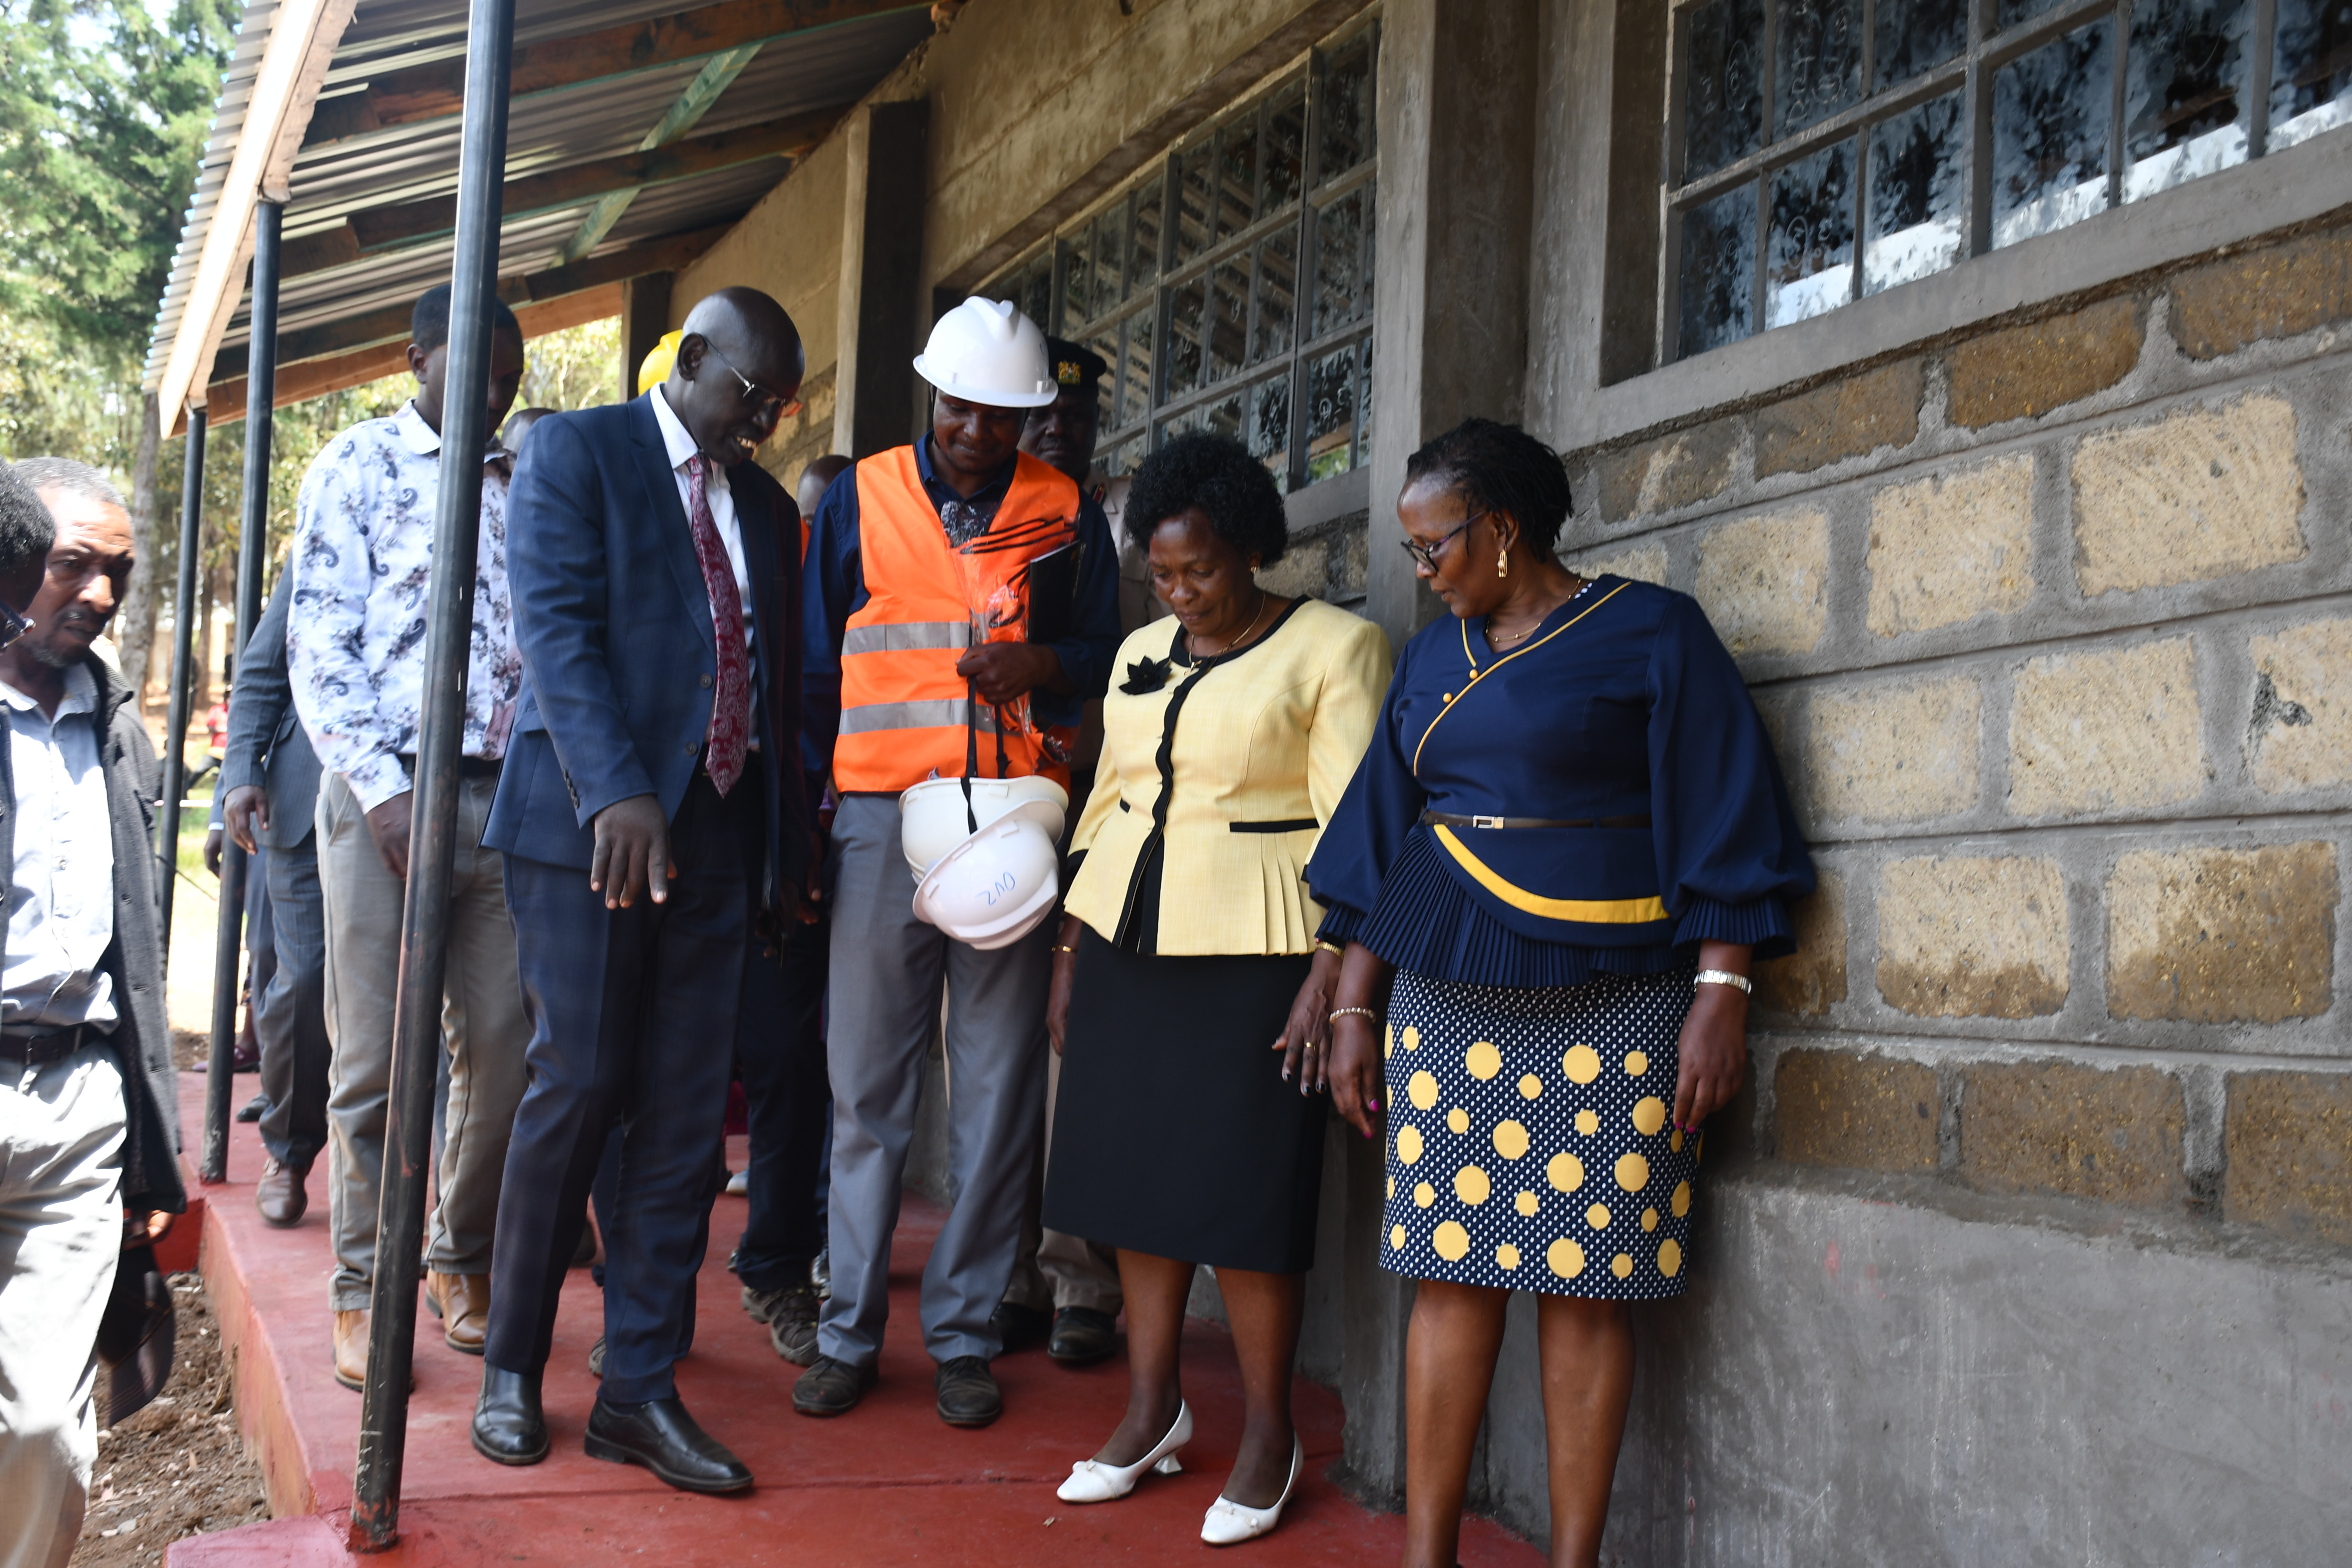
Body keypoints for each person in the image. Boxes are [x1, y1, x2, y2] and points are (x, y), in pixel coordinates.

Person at [1310, 419, 1814, 1568]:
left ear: (1501, 529)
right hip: (1448, 994)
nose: (1422, 574)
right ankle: (1428, 1556)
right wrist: (1352, 1005)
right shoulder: (1434, 655)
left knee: (1588, 1285)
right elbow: (1385, 840)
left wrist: (1721, 991)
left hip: (1618, 992)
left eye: (1434, 547)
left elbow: (1727, 812)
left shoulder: (1652, 633)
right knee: (1448, 1272)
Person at [473, 286, 816, 1494]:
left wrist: (785, 854)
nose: (765, 424)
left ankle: (638, 1390)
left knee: (681, 1115)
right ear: (695, 359)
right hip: (586, 830)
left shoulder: (769, 514)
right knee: (578, 1082)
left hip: (718, 839)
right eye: (751, 397)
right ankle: (513, 1362)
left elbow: (779, 688)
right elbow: (553, 629)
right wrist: (616, 789)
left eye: (781, 408)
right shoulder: (579, 450)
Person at [1037, 433, 1388, 1542]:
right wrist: (1068, 946)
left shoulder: (1337, 647)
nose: (1180, 593)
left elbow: (1358, 828)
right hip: (1127, 948)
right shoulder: (1142, 648)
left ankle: (1271, 1432)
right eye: (1163, 574)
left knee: (1242, 1203)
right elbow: (1106, 798)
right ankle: (1152, 1408)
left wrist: (1332, 978)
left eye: (1199, 571)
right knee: (1134, 1188)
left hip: (1262, 953)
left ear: (1249, 550)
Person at [794, 297, 1118, 1429]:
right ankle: (846, 1331)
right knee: (867, 1087)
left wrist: (1043, 661)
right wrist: (810, 820)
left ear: (1032, 415)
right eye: (958, 406)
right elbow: (812, 666)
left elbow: (1102, 657)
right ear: (933, 397)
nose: (975, 429)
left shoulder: (1067, 510)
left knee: (997, 1085)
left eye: (1001, 414)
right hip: (885, 819)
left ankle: (968, 1334)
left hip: (1015, 820)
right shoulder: (859, 496)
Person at [286, 284, 532, 1384]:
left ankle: (456, 1257)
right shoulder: (353, 467)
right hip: (384, 796)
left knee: (506, 1046)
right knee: (379, 1059)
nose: (492, 387)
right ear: (417, 357)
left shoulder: (532, 482)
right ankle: (361, 1285)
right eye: (472, 364)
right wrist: (386, 794)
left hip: (508, 803)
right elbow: (321, 642)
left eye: (509, 369)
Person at [0, 457, 178, 1568]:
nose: (100, 595)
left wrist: (149, 1153)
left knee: (48, 1433)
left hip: (78, 1111)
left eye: (116, 572)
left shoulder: (125, 742)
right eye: (74, 565)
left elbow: (143, 961)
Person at [996, 336, 1126, 1366]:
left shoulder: (1090, 527)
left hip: (1078, 806)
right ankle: (1004, 1273)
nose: (1055, 437)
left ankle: (1078, 1276)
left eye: (1074, 426)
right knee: (997, 1051)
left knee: (1071, 1053)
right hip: (977, 814)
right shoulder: (967, 512)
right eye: (1042, 419)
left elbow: (1102, 659)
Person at [727, 447, 853, 1367]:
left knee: (784, 1068)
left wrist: (800, 846)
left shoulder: (791, 558)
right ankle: (637, 1298)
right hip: (673, 853)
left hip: (785, 861)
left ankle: (777, 1268)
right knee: (655, 1084)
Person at [212, 565, 328, 1226]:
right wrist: (239, 773)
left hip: (433, 788)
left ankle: (469, 1197)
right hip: (306, 793)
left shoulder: (500, 499)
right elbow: (262, 668)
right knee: (303, 980)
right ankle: (288, 1152)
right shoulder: (338, 500)